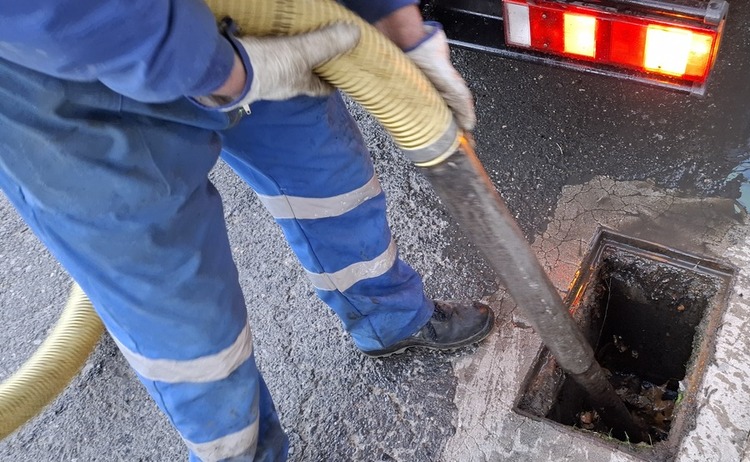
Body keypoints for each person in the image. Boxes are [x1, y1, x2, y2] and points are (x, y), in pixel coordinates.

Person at [0, 0, 493, 460]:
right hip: (64, 74)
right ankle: (244, 452)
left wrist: (399, 26)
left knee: (328, 177)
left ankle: (388, 316)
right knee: (184, 317)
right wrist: (225, 72)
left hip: (241, 14)